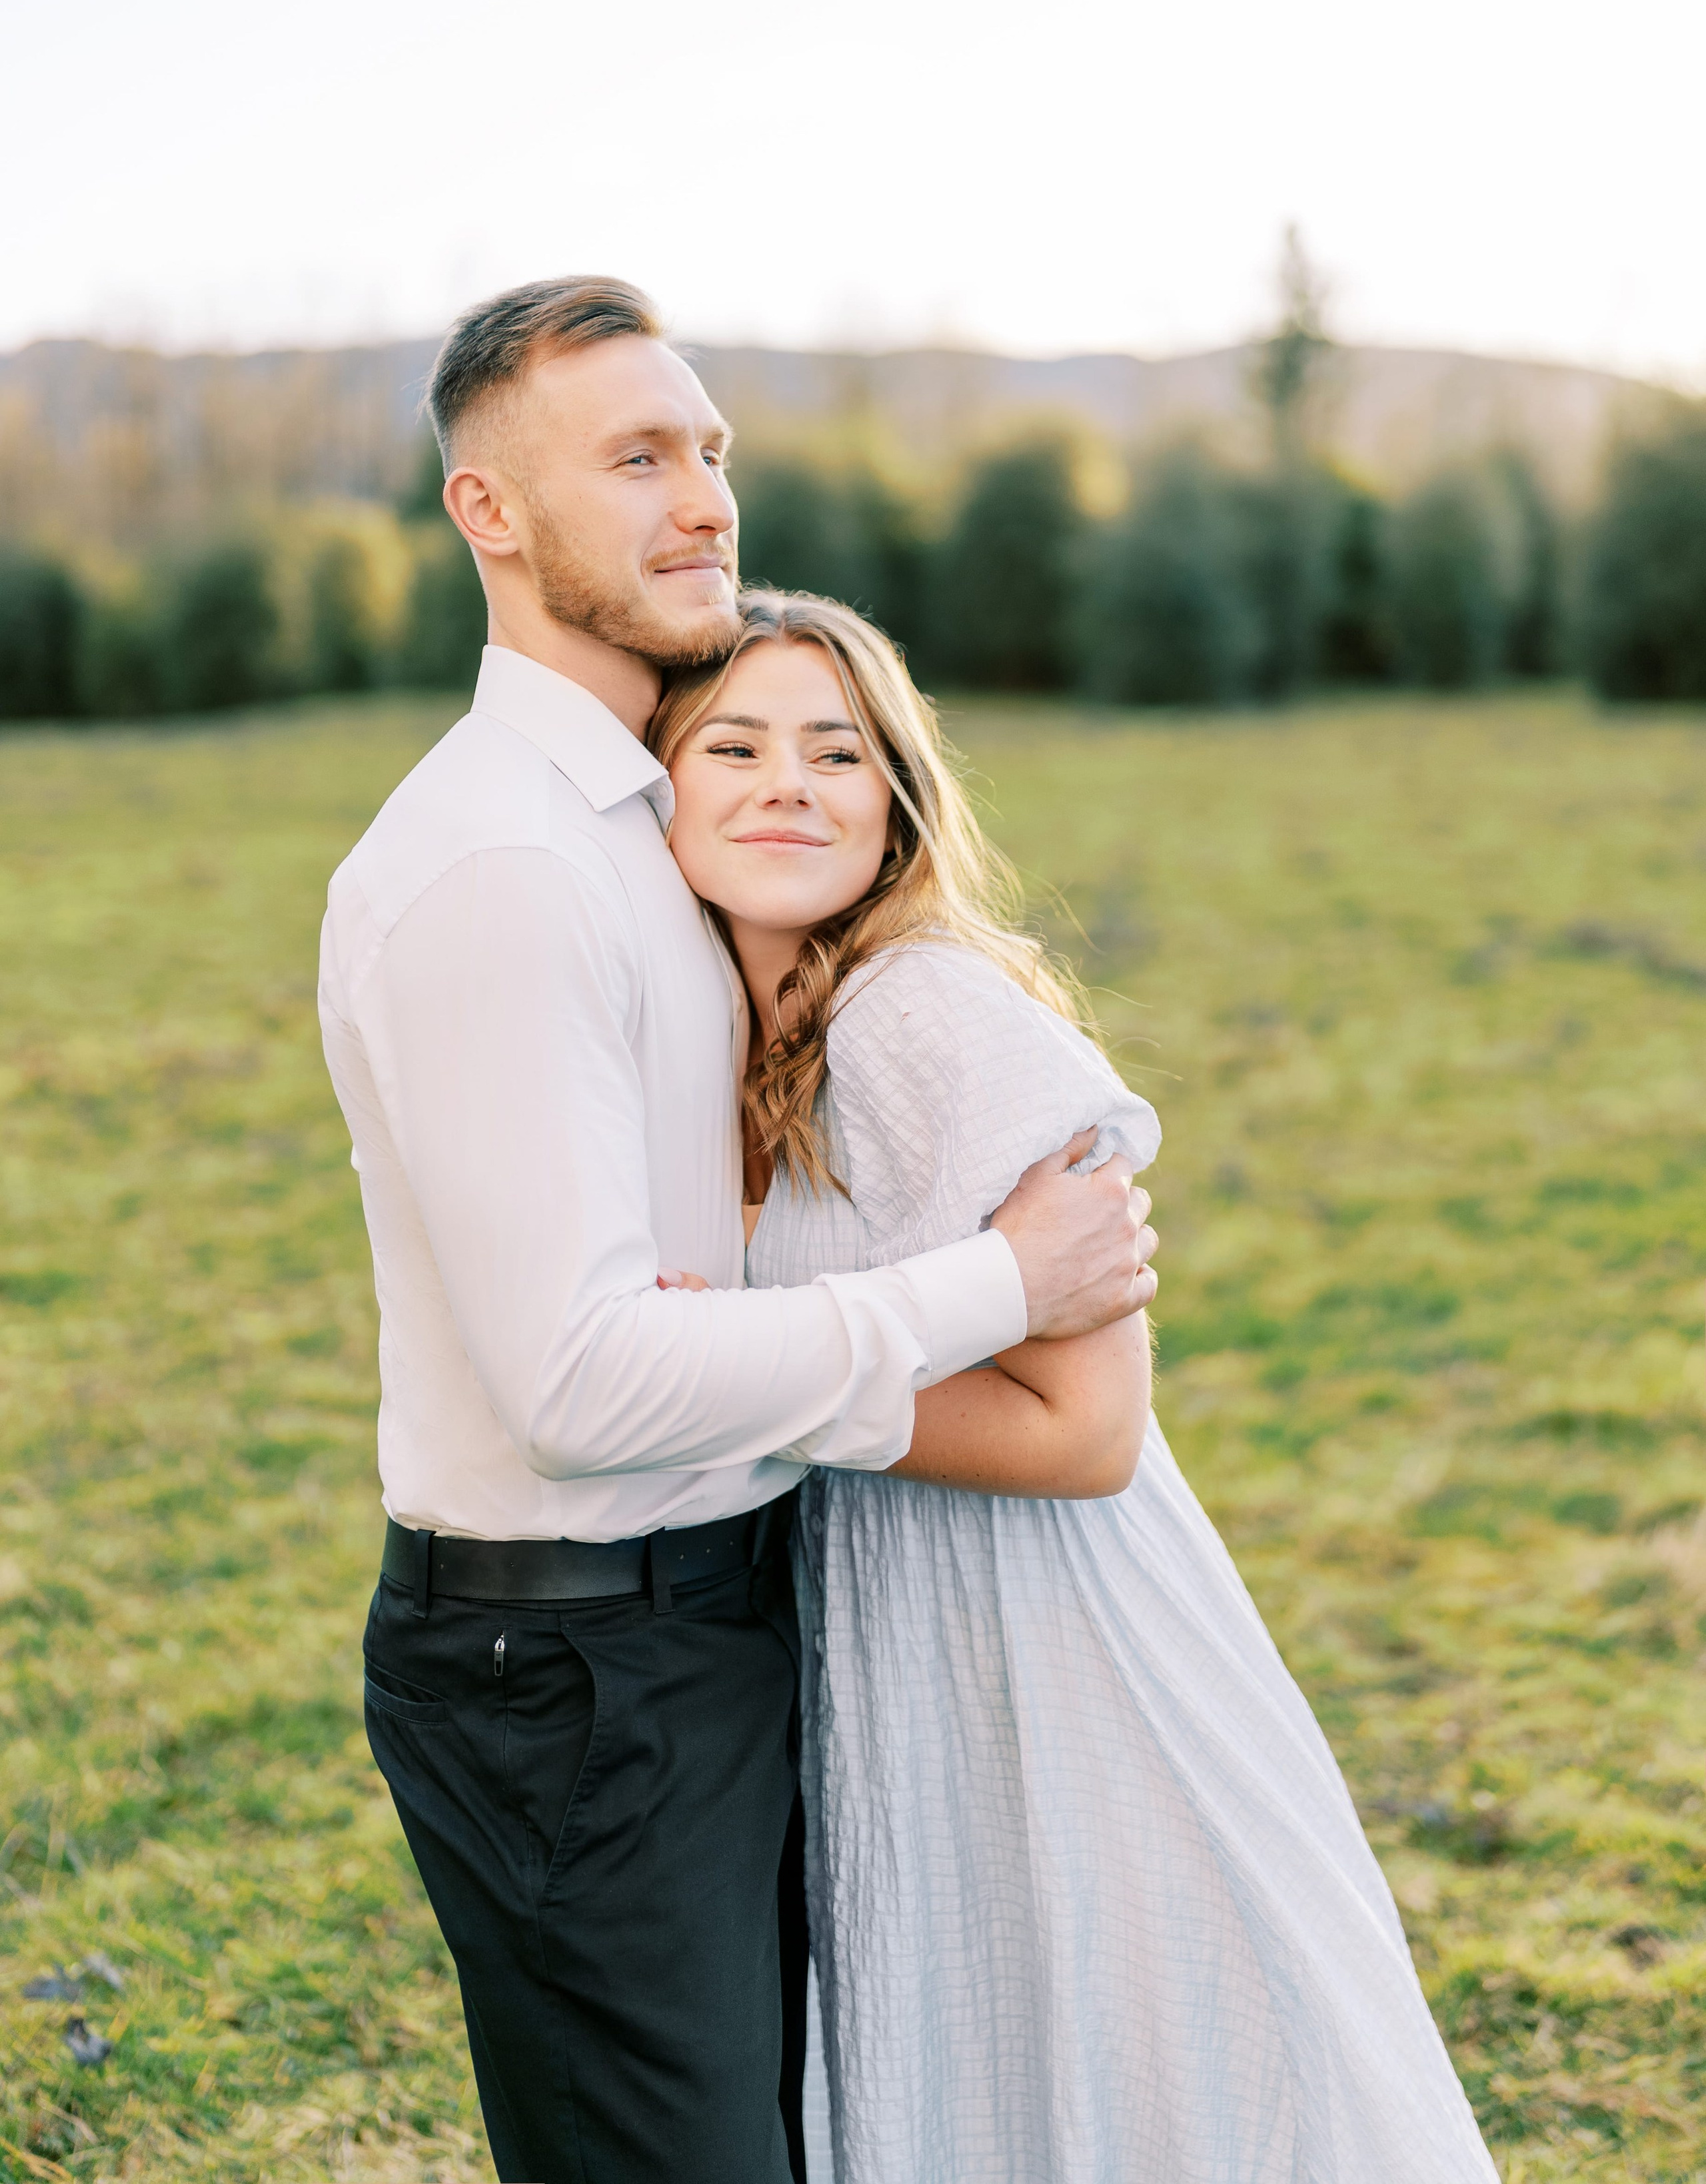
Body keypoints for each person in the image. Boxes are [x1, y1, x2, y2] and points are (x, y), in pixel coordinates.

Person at [317, 277, 1156, 2184]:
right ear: (491, 516)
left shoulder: (646, 824)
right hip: (576, 1674)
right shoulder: (509, 865)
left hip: (720, 1617)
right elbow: (583, 1382)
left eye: (710, 451)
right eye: (635, 458)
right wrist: (999, 1288)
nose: (704, 500)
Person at [651, 588, 1503, 2184]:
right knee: (992, 2061)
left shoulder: (921, 1012)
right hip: (899, 1624)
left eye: (838, 751)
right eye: (735, 745)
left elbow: (1089, 1430)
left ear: (898, 799)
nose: (788, 783)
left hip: (1051, 1624)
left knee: (1144, 2068)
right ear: (661, 783)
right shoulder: (715, 1036)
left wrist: (744, 1379)